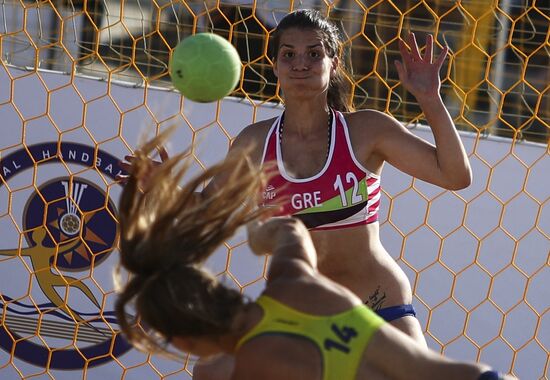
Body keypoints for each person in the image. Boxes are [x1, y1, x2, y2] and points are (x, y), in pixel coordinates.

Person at [121, 9, 471, 345]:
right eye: (288, 54)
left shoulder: (366, 130)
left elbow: (455, 176)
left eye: (314, 53)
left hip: (377, 303)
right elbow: (206, 207)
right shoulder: (255, 142)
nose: (301, 63)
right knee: (213, 373)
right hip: (297, 311)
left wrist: (430, 99)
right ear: (274, 66)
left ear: (334, 64)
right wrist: (163, 187)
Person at [115, 137, 511, 380]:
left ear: (185, 340)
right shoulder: (293, 282)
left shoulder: (257, 365)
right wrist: (261, 237)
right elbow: (292, 230)